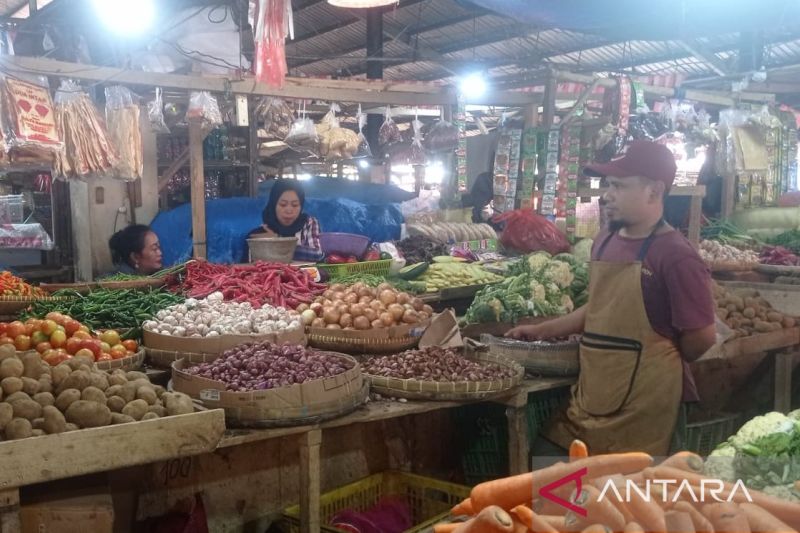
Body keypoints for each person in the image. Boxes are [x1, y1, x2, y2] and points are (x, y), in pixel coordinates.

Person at [507, 140, 717, 456]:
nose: (606, 195)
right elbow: (600, 306)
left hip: (646, 405)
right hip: (593, 395)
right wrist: (542, 331)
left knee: (631, 498)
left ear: (654, 191)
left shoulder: (676, 255)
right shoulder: (605, 240)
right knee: (548, 466)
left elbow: (702, 337)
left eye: (618, 186)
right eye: (607, 185)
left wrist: (657, 356)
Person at [247, 179, 323, 262]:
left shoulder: (309, 223)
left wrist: (277, 241)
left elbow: (317, 254)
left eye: (295, 205)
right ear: (274, 204)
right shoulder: (261, 234)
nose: (289, 210)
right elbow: (254, 266)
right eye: (283, 205)